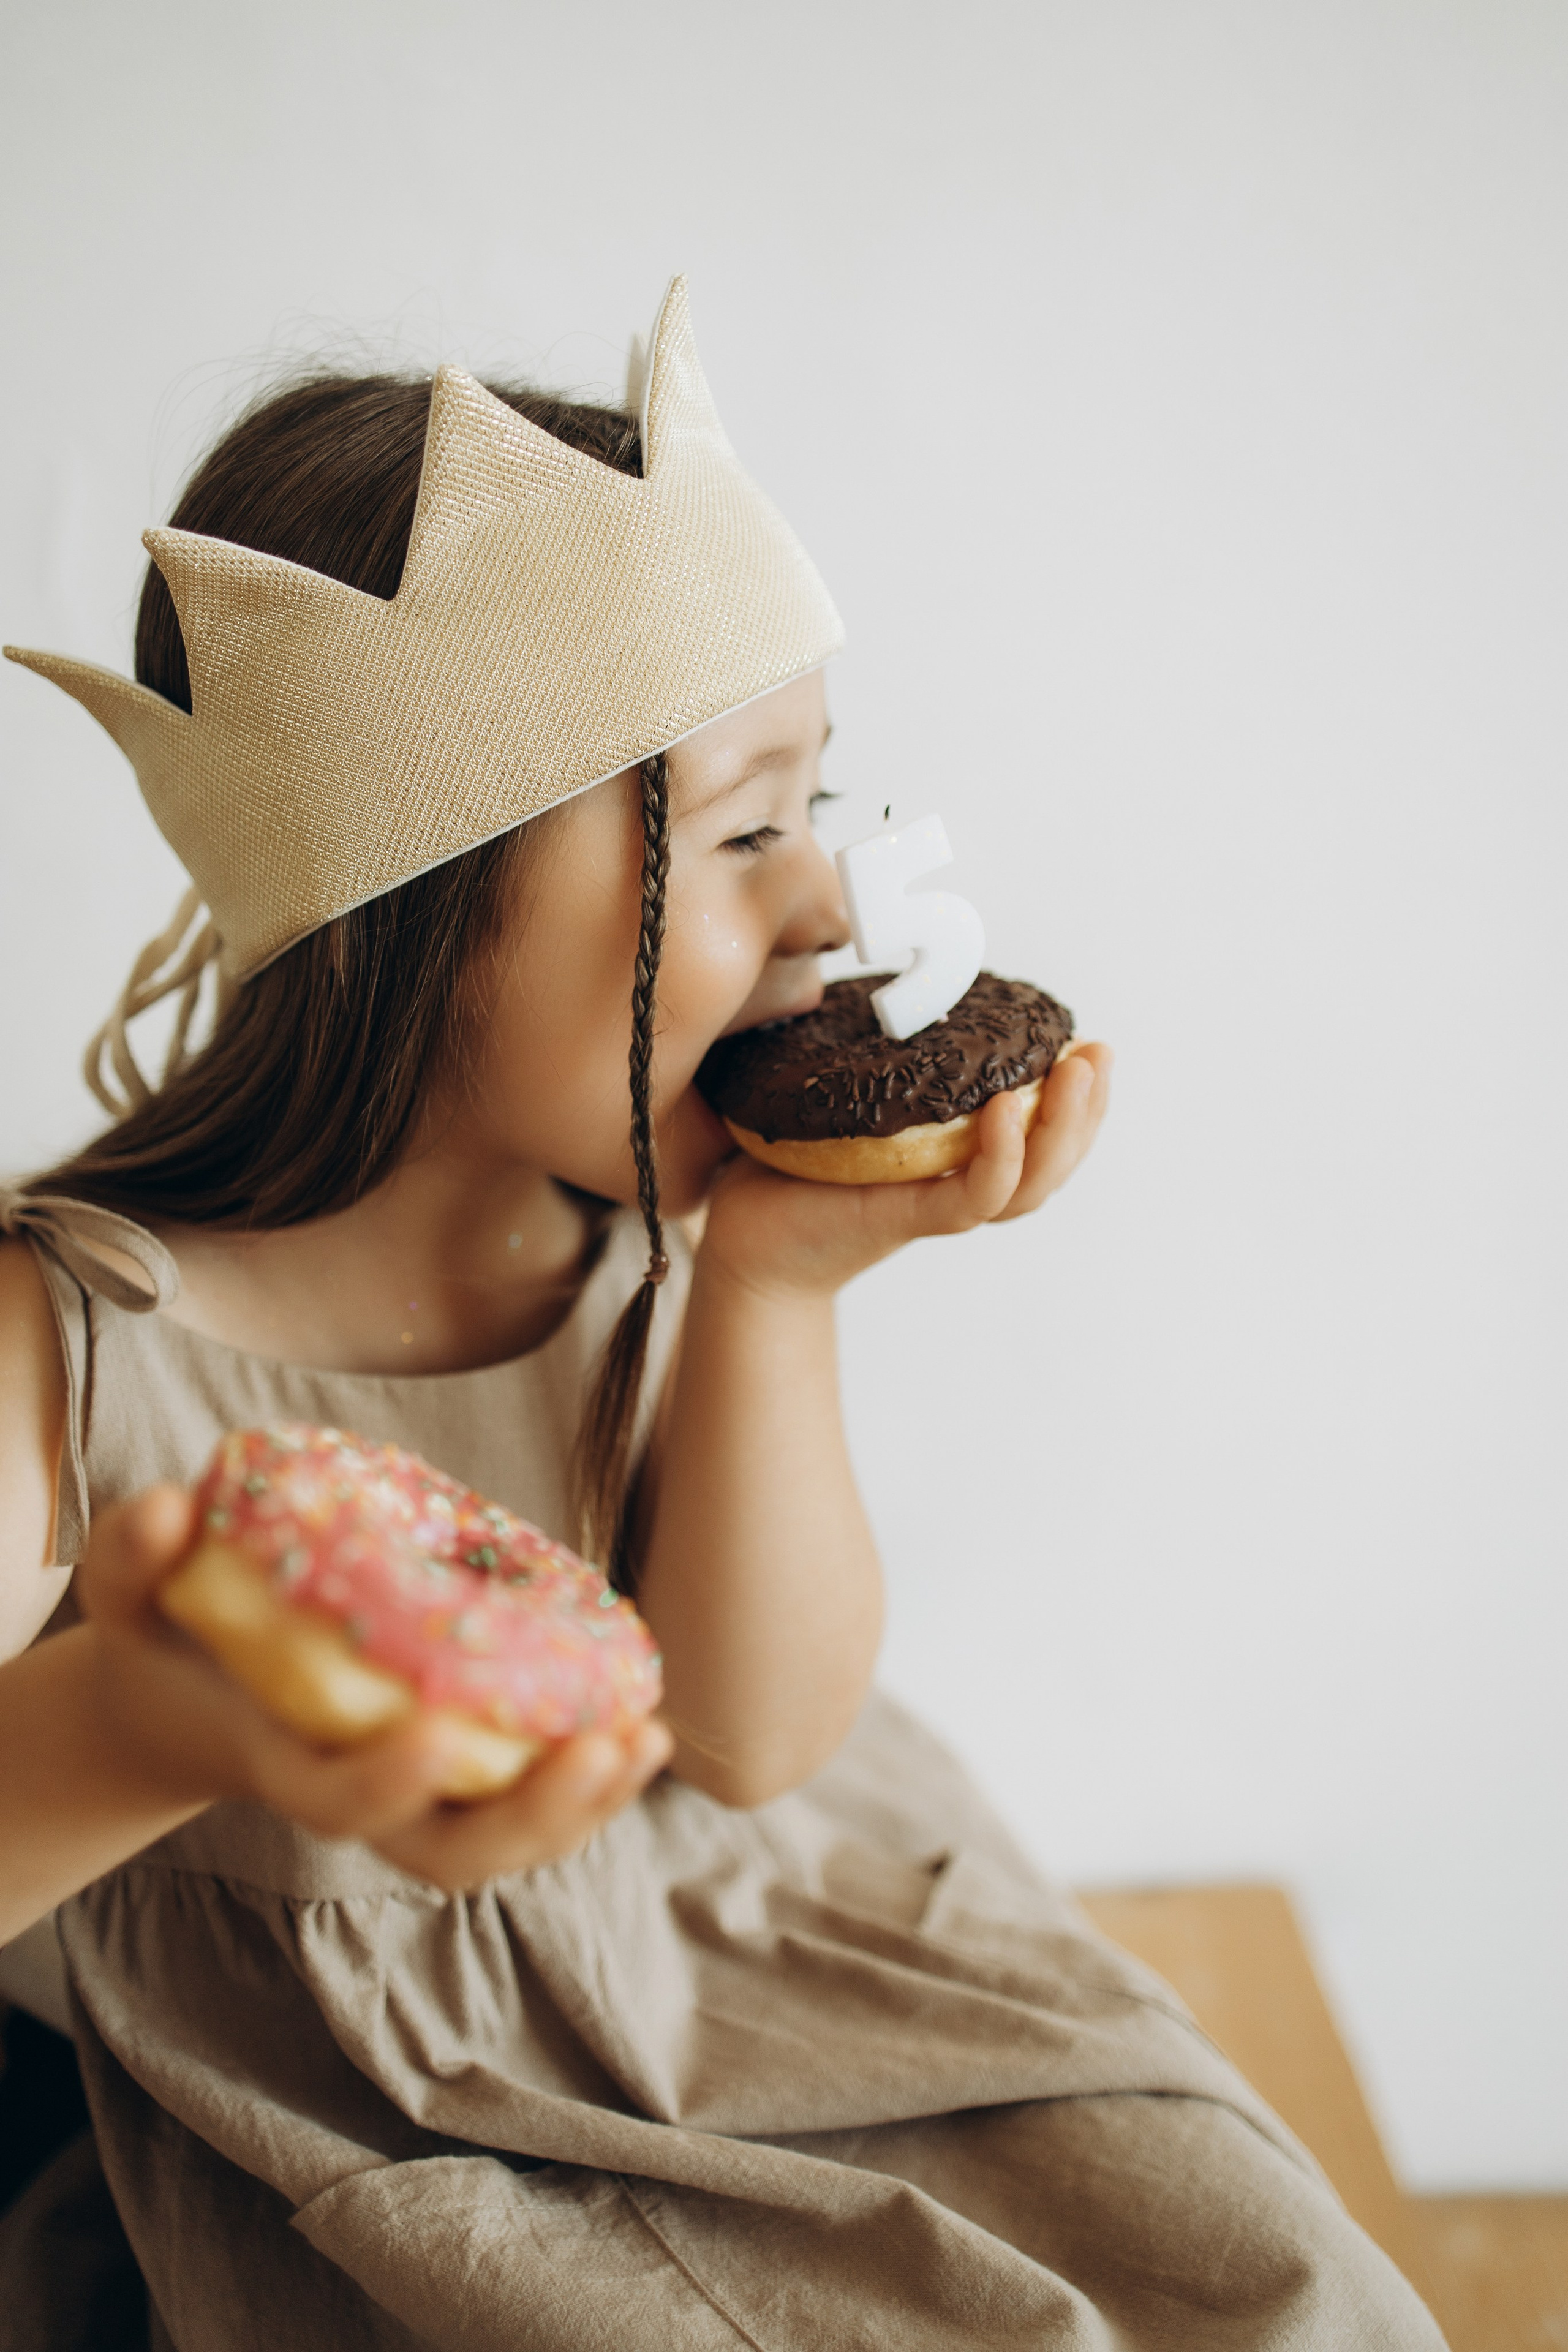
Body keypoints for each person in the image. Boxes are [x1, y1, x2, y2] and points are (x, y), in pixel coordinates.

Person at [0, 281, 1443, 2349]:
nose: (836, 914)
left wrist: (774, 1285)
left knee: (1254, 2283)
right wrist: (154, 1716)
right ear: (416, 906)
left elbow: (757, 1742)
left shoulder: (645, 1245)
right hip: (389, 2137)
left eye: (818, 810)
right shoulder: (74, 1351)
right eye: (745, 832)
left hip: (788, 1962)